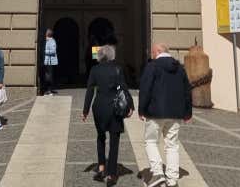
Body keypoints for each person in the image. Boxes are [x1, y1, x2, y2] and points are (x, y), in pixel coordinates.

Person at [138, 43, 192, 187]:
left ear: (158, 51)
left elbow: (145, 89)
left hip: (155, 112)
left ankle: (157, 173)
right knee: (172, 145)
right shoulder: (180, 68)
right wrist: (188, 112)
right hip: (175, 113)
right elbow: (187, 90)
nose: (151, 55)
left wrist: (141, 110)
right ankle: (172, 179)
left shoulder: (152, 66)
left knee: (150, 141)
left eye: (152, 52)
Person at [82, 45, 130, 187]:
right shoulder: (118, 69)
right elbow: (123, 88)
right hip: (114, 108)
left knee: (101, 137)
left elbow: (90, 90)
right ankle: (111, 174)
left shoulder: (95, 69)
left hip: (99, 107)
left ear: (100, 56)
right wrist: (131, 107)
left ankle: (101, 168)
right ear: (112, 55)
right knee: (114, 141)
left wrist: (85, 110)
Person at [41, 29, 58, 96]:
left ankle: (49, 90)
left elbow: (53, 51)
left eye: (46, 33)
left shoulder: (52, 41)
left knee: (49, 76)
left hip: (50, 61)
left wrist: (45, 51)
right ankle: (47, 90)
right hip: (46, 61)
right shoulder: (46, 41)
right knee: (46, 76)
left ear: (48, 34)